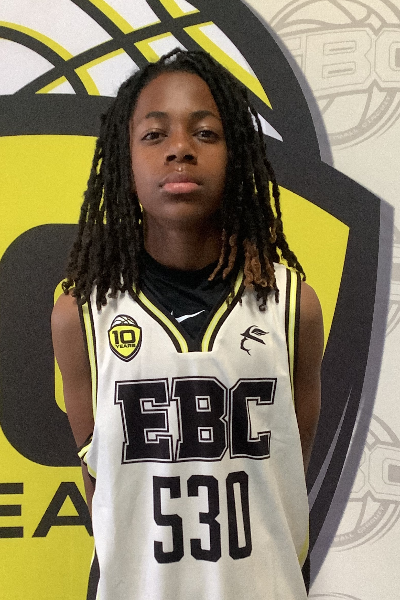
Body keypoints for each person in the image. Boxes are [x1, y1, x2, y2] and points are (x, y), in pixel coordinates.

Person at [52, 48, 323, 600]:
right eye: (154, 135)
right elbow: (104, 491)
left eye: (205, 133)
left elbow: (289, 474)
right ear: (125, 161)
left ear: (237, 156)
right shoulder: (81, 314)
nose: (180, 148)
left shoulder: (292, 306)